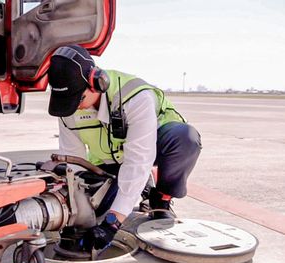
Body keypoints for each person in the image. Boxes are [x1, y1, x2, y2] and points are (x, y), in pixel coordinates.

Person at [47, 45, 202, 251]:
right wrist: (74, 204)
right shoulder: (68, 108)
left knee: (184, 139)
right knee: (94, 212)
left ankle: (160, 198)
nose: (74, 106)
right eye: (67, 101)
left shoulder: (134, 97)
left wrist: (113, 222)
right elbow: (73, 159)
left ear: (97, 82)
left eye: (78, 98)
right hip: (109, 161)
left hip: (155, 145)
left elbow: (139, 159)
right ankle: (140, 183)